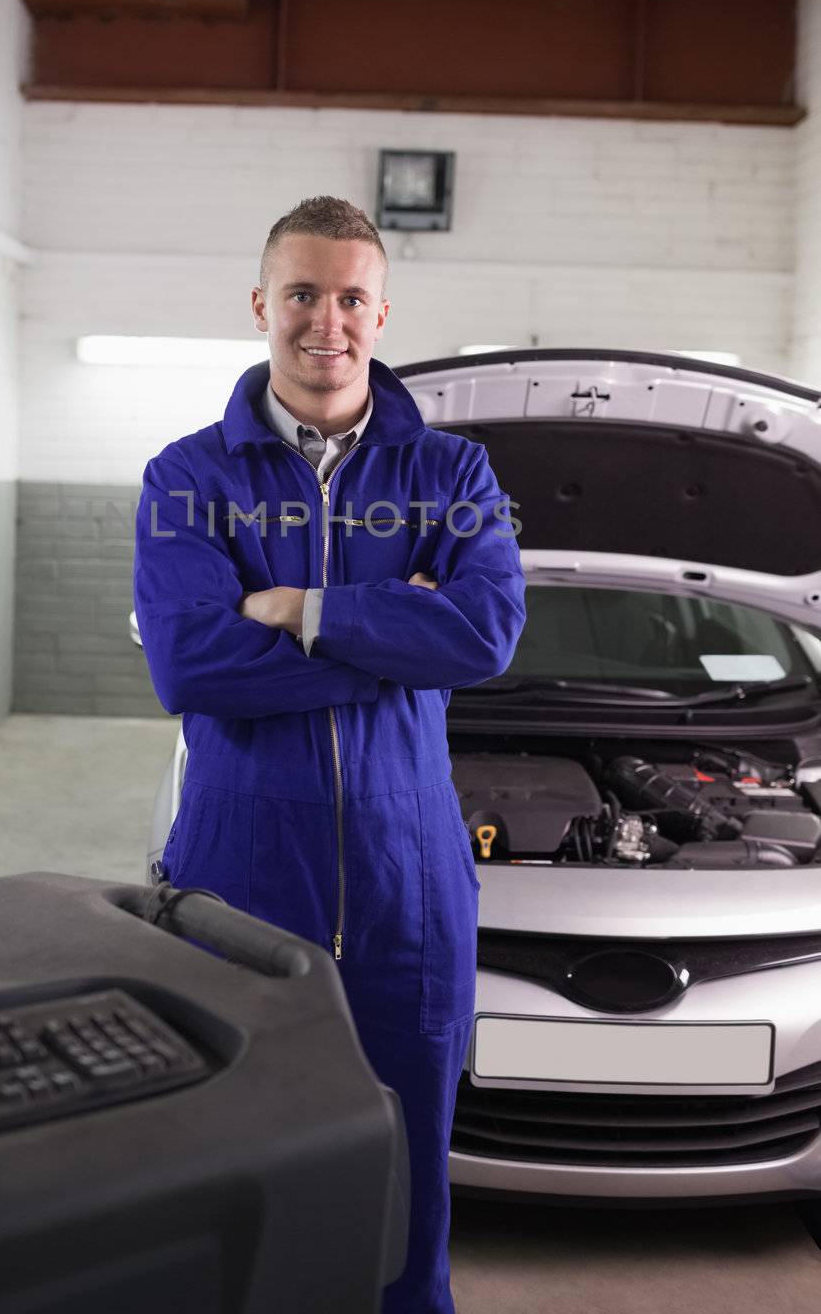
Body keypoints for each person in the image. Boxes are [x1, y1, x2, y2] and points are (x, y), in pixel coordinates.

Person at [133, 196, 526, 1313]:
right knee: (237, 1187)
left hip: (409, 891)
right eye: (302, 293)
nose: (326, 321)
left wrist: (300, 608)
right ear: (261, 304)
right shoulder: (186, 478)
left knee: (407, 1207)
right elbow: (192, 667)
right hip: (235, 885)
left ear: (382, 311)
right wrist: (393, 632)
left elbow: (483, 634)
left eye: (350, 296)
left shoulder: (450, 472)